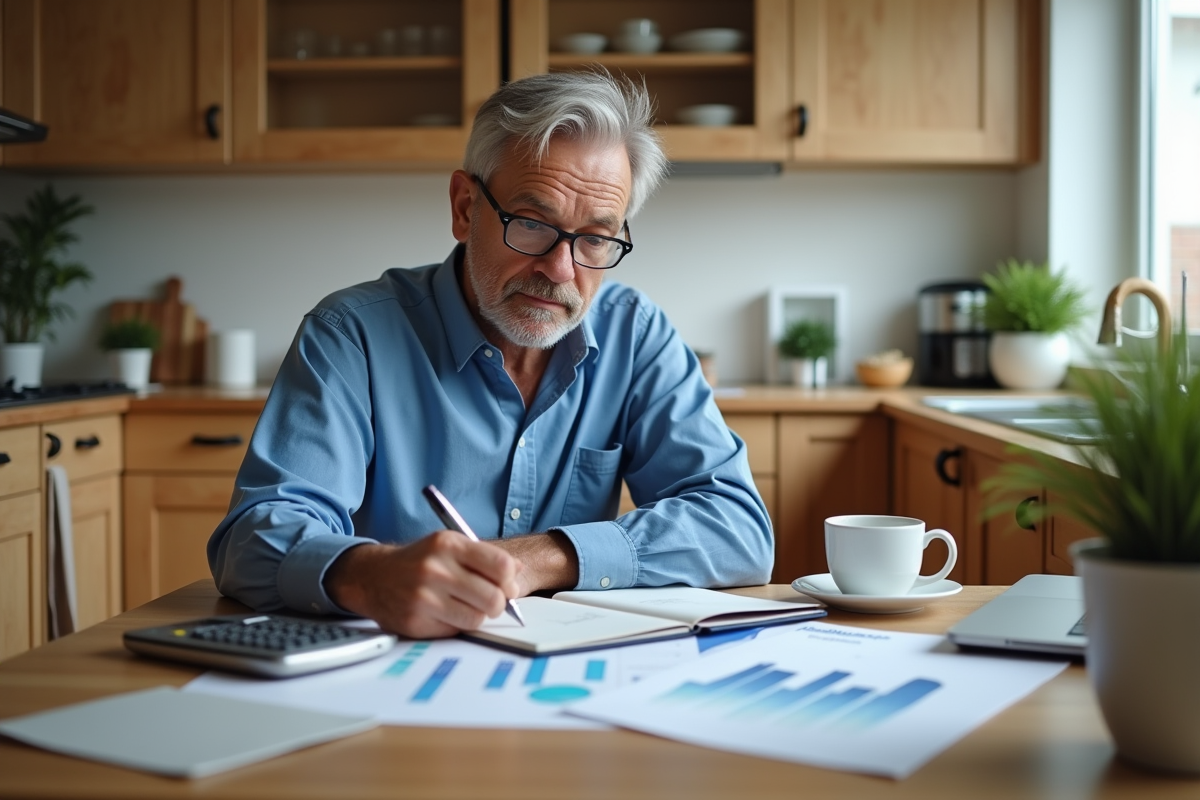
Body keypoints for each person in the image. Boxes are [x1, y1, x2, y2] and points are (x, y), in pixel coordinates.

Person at [207, 71, 773, 639]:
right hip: (395, 664)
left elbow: (738, 530)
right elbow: (251, 540)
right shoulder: (352, 334)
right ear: (464, 207)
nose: (560, 270)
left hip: (568, 665)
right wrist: (368, 575)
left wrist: (540, 559)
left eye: (595, 239)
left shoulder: (635, 334)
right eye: (532, 224)